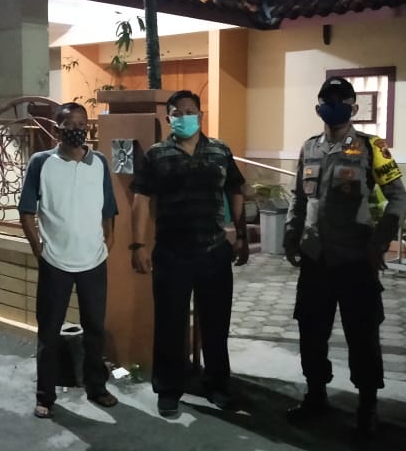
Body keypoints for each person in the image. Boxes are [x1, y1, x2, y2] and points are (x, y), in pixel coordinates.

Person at [283, 76, 406, 436]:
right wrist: (291, 233)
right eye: (328, 99)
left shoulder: (372, 147)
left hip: (355, 260)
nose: (334, 104)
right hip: (316, 258)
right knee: (311, 331)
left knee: (362, 335)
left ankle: (367, 406)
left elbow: (398, 197)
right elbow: (299, 197)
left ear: (353, 107)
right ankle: (316, 395)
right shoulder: (309, 147)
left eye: (341, 99)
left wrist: (380, 241)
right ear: (319, 105)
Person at [129, 90, 249, 418]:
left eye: (190, 110)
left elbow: (236, 189)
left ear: (200, 115)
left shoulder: (220, 151)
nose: (184, 116)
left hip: (214, 252)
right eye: (177, 112)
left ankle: (218, 385)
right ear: (168, 118)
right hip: (171, 254)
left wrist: (240, 236)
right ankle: (168, 389)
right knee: (170, 325)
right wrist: (138, 245)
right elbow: (141, 199)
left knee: (216, 325)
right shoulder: (156, 155)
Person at [19, 102, 119, 419]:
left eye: (81, 123)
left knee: (95, 329)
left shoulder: (99, 162)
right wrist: (39, 249)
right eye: (69, 123)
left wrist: (109, 241)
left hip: (94, 261)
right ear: (56, 128)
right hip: (55, 262)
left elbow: (108, 209)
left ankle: (96, 387)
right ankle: (45, 396)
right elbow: (26, 211)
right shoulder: (41, 163)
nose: (76, 129)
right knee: (49, 332)